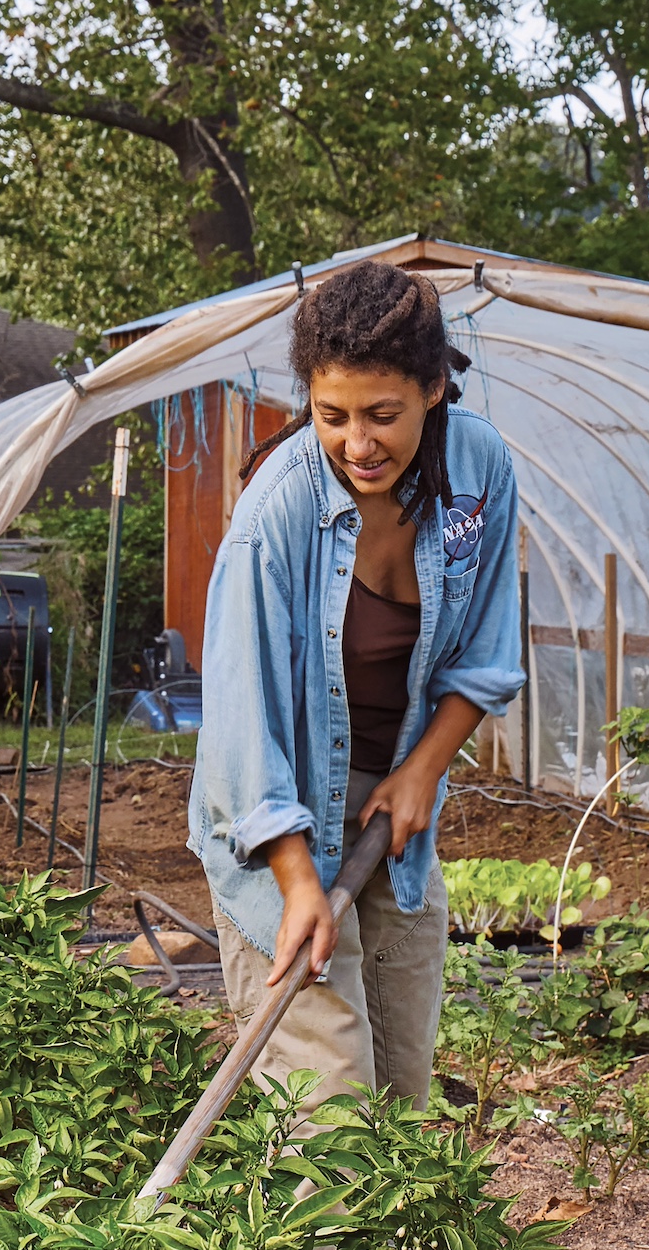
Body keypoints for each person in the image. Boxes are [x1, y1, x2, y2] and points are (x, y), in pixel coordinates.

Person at [188, 258, 523, 1121]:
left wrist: (421, 773)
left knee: (401, 1102)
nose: (357, 444)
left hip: (393, 831)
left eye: (384, 415)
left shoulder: (479, 474)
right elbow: (238, 718)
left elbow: (484, 656)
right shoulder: (279, 511)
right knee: (330, 1117)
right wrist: (298, 880)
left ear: (435, 389)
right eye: (331, 416)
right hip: (277, 828)